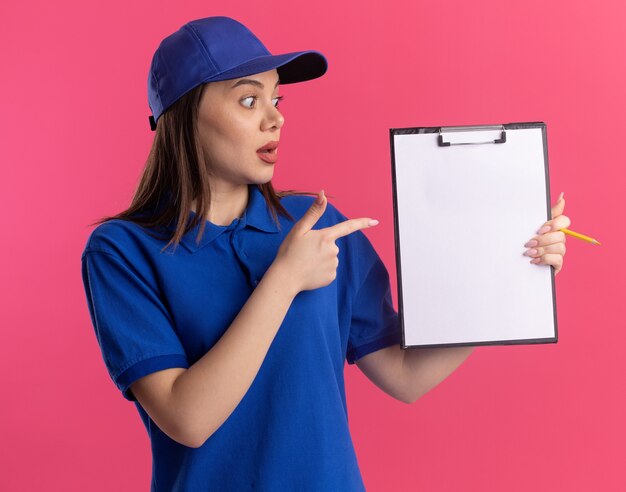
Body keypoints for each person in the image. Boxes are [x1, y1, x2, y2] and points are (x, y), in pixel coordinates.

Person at [80, 16, 570, 491]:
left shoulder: (318, 224)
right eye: (249, 101)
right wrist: (284, 279)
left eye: (276, 99)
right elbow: (188, 419)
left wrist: (507, 267)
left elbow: (404, 376)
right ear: (183, 117)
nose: (276, 118)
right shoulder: (122, 251)